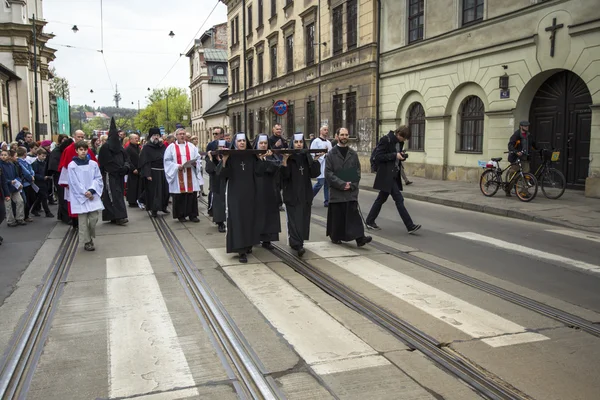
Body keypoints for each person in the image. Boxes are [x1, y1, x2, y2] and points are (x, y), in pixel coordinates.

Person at [217, 133, 265, 263]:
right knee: (238, 220)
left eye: (244, 140)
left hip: (250, 193)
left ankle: (248, 244)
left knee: (249, 219)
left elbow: (260, 171)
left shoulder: (251, 156)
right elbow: (221, 174)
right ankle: (240, 250)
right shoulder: (231, 156)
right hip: (235, 194)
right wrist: (225, 160)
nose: (242, 143)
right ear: (235, 143)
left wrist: (260, 158)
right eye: (239, 141)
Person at [365, 126, 421, 234]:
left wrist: (402, 156)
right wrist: (395, 155)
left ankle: (369, 221)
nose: (403, 141)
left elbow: (397, 158)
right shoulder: (386, 139)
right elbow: (378, 157)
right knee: (399, 199)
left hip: (394, 175)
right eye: (403, 138)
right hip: (386, 175)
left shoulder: (399, 143)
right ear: (399, 134)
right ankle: (410, 226)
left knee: (381, 199)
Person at [325, 128, 372, 246]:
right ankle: (335, 236)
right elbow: (328, 173)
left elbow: (357, 171)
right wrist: (341, 184)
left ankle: (360, 238)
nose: (344, 137)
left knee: (353, 215)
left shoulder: (353, 154)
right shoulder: (331, 154)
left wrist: (352, 184)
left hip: (351, 191)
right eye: (342, 135)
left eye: (346, 135)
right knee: (338, 216)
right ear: (337, 137)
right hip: (337, 192)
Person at [281, 133, 321, 256]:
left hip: (305, 193)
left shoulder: (306, 156)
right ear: (292, 143)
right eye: (296, 142)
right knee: (294, 219)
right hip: (292, 193)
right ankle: (296, 244)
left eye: (301, 142)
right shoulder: (289, 157)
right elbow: (284, 176)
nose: (299, 144)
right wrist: (285, 160)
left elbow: (314, 174)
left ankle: (300, 241)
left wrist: (315, 160)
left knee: (303, 218)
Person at [67, 141, 104, 251]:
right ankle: (87, 241)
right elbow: (74, 182)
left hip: (92, 194)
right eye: (81, 149)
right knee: (82, 221)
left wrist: (92, 191)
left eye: (85, 149)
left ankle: (89, 235)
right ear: (76, 151)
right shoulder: (72, 166)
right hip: (79, 196)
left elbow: (98, 178)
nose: (83, 151)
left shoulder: (93, 164)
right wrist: (84, 193)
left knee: (94, 218)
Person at [58, 130, 97, 227]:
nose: (80, 138)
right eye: (78, 137)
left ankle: (86, 224)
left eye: (82, 137)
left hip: (86, 182)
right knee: (74, 203)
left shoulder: (88, 150)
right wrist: (66, 183)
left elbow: (94, 166)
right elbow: (65, 167)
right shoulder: (68, 150)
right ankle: (75, 223)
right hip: (73, 183)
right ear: (74, 137)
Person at [164, 128, 202, 222]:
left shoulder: (191, 146)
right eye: (180, 134)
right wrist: (177, 166)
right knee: (180, 195)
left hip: (190, 174)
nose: (182, 136)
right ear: (176, 136)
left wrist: (195, 163)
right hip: (178, 175)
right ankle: (181, 215)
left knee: (191, 195)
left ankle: (193, 215)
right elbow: (167, 161)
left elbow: (198, 158)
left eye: (183, 134)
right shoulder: (171, 147)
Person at [98, 118, 130, 225]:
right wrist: (118, 169)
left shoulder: (120, 148)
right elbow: (106, 163)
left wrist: (125, 167)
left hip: (119, 176)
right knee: (112, 195)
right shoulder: (105, 148)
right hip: (110, 175)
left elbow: (126, 159)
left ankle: (113, 215)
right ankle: (119, 216)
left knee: (119, 195)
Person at [254, 134, 281, 249]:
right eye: (261, 143)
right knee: (257, 214)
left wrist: (267, 160)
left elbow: (275, 167)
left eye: (265, 143)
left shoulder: (271, 156)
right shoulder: (253, 156)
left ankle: (267, 240)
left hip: (270, 188)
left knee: (269, 215)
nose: (263, 145)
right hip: (257, 189)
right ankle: (255, 237)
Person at [139, 128, 170, 217]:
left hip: (163, 171)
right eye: (154, 135)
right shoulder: (147, 147)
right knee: (154, 192)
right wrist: (147, 174)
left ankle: (164, 207)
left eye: (157, 135)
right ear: (150, 137)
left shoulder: (163, 146)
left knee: (165, 191)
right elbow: (145, 162)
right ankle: (154, 209)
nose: (156, 137)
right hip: (153, 172)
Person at [506, 120, 536, 197]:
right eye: (525, 126)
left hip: (525, 158)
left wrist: (541, 150)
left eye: (528, 126)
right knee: (514, 175)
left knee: (526, 175)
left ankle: (524, 192)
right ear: (521, 126)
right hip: (516, 158)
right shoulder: (516, 135)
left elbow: (534, 144)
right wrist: (516, 152)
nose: (527, 127)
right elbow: (510, 145)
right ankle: (508, 189)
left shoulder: (529, 135)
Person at [205, 139, 228, 232]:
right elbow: (210, 170)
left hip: (226, 181)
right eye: (220, 147)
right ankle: (220, 222)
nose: (221, 149)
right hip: (216, 182)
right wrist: (211, 159)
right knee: (218, 202)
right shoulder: (212, 157)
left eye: (223, 146)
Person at [1, 149, 26, 226]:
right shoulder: (1, 165)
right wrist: (9, 181)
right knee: (8, 205)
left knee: (20, 201)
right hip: (6, 188)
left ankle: (20, 218)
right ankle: (10, 221)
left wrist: (18, 182)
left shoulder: (12, 165)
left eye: (5, 155)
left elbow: (16, 175)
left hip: (14, 187)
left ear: (8, 156)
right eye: (2, 155)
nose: (3, 157)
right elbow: (2, 178)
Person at [310, 125, 332, 207]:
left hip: (328, 166)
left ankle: (327, 201)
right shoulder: (316, 141)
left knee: (327, 184)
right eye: (325, 130)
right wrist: (322, 156)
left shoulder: (329, 142)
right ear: (321, 131)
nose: (326, 131)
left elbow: (331, 153)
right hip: (320, 165)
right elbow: (312, 153)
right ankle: (309, 197)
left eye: (327, 130)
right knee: (320, 183)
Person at [206, 127, 225, 214]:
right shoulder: (210, 145)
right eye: (213, 133)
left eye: (216, 134)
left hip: (224, 171)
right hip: (214, 171)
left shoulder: (227, 144)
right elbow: (208, 158)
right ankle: (212, 209)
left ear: (222, 135)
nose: (214, 135)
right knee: (213, 191)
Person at [30, 148, 54, 218]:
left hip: (44, 182)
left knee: (40, 197)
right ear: (38, 155)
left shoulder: (44, 163)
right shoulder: (35, 164)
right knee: (44, 196)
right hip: (38, 182)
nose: (44, 157)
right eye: (42, 156)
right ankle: (47, 212)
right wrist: (42, 177)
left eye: (45, 156)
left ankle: (34, 209)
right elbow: (34, 174)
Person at [125, 133, 142, 207]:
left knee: (138, 186)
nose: (137, 140)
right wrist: (133, 169)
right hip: (133, 171)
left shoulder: (137, 147)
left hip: (139, 169)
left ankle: (137, 199)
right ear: (131, 139)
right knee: (132, 186)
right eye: (135, 138)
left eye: (137, 138)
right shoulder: (128, 149)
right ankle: (132, 201)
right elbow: (128, 160)